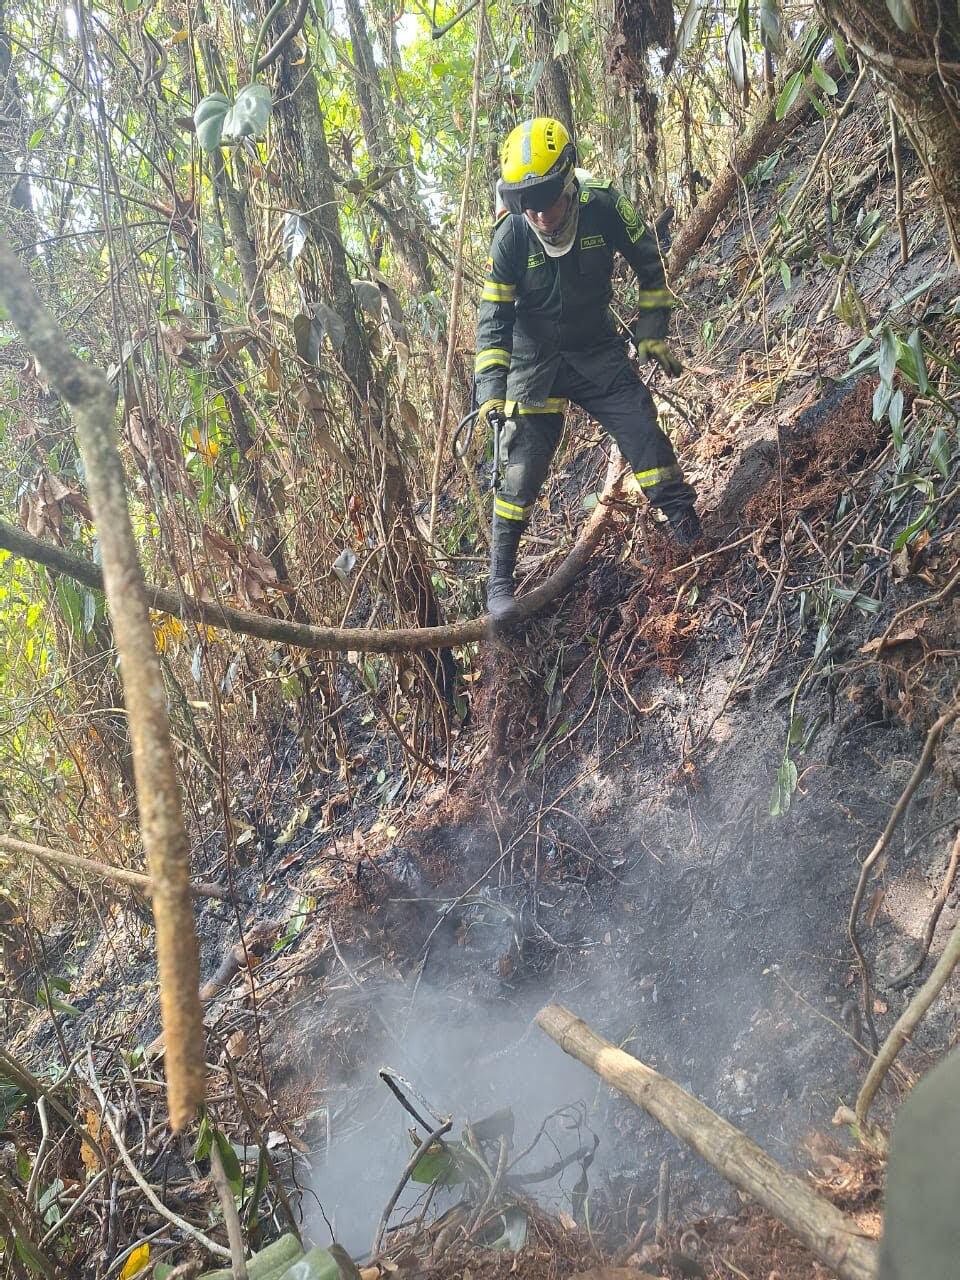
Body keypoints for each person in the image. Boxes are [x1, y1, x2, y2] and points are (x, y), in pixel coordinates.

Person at [474, 116, 701, 626]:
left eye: (547, 201)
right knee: (519, 467)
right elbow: (493, 320)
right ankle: (500, 584)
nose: (538, 215)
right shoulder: (511, 234)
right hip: (534, 362)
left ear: (568, 181)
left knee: (642, 431)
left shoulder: (603, 205)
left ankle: (687, 526)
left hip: (595, 348)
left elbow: (649, 263)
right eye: (526, 204)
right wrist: (491, 393)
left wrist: (651, 329)